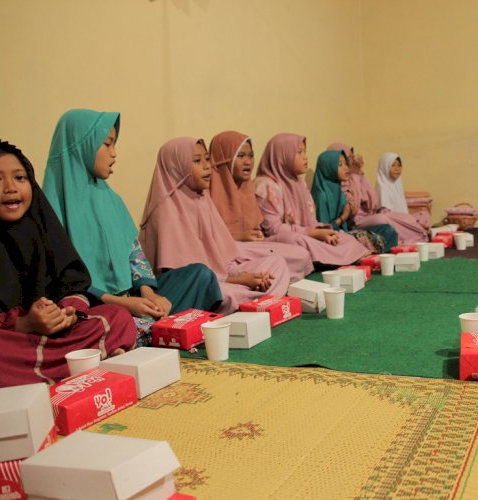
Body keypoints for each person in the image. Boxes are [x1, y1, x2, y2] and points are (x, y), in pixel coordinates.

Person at [42, 110, 222, 346]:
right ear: (80, 147)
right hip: (94, 307)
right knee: (103, 321)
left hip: (132, 297)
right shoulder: (51, 210)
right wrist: (121, 304)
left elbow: (134, 253)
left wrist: (148, 292)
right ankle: (151, 332)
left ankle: (148, 331)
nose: (114, 153)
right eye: (106, 144)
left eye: (114, 144)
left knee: (200, 275)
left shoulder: (111, 199)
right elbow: (64, 283)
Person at [0, 140, 136, 389]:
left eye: (20, 177)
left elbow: (72, 281)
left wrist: (67, 313)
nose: (10, 188)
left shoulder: (41, 227)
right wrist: (24, 323)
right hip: (10, 340)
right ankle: (86, 366)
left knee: (117, 318)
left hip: (57, 336)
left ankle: (59, 373)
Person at [140, 137, 291, 313]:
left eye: (207, 159)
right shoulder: (165, 211)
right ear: (176, 168)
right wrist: (241, 280)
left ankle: (254, 303)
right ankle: (260, 302)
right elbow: (193, 278)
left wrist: (243, 276)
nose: (206, 166)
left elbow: (221, 262)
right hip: (201, 285)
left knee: (277, 264)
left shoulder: (202, 198)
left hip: (224, 278)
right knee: (220, 291)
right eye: (197, 161)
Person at [208, 131, 313, 281]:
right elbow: (207, 240)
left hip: (249, 251)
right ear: (223, 159)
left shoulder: (246, 187)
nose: (248, 162)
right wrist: (240, 237)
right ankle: (253, 277)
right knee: (278, 260)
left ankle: (258, 275)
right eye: (241, 156)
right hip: (225, 252)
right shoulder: (208, 192)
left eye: (250, 156)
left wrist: (254, 236)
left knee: (300, 254)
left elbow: (256, 230)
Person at [254, 133, 369, 266]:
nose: (305, 157)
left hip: (305, 235)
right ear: (282, 156)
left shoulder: (299, 183)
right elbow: (273, 229)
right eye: (299, 152)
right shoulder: (267, 185)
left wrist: (322, 231)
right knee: (297, 240)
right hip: (281, 240)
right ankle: (332, 258)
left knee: (344, 238)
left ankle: (332, 258)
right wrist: (311, 233)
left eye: (305, 151)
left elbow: (311, 221)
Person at [328, 143, 428, 244]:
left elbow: (373, 201)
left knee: (407, 217)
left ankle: (418, 235)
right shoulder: (343, 182)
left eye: (352, 157)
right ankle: (409, 239)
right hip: (356, 221)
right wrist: (356, 176)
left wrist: (360, 173)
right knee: (382, 218)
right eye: (349, 157)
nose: (353, 160)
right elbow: (355, 207)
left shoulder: (355, 177)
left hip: (369, 216)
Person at [312, 149, 397, 253]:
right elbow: (323, 231)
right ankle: (372, 258)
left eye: (346, 164)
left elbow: (372, 203)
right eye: (340, 165)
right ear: (329, 168)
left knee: (388, 230)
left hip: (347, 232)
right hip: (336, 238)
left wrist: (360, 173)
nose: (346, 168)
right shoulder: (321, 195)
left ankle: (380, 259)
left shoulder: (338, 189)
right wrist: (343, 217)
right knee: (359, 239)